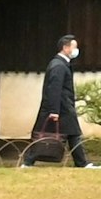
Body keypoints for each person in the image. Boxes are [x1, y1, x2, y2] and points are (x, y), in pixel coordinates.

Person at [29, 34, 88, 168]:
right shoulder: (58, 65)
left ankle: (82, 163)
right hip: (60, 107)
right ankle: (28, 161)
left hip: (63, 106)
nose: (76, 50)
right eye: (74, 47)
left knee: (73, 134)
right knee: (44, 136)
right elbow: (54, 89)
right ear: (65, 48)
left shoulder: (61, 64)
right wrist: (54, 110)